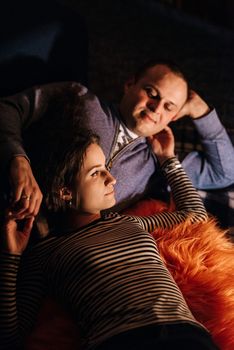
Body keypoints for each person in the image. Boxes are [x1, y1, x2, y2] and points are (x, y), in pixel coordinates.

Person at [0, 126, 218, 350]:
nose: (112, 179)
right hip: (122, 340)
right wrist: (11, 257)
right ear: (64, 191)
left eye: (106, 167)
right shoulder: (47, 252)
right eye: (95, 173)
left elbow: (195, 216)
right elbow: (11, 337)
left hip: (187, 335)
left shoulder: (127, 222)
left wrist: (167, 158)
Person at [0, 59, 233, 218]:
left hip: (65, 254)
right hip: (12, 202)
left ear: (173, 117)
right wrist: (17, 160)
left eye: (168, 106)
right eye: (152, 93)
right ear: (129, 84)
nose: (156, 107)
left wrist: (202, 112)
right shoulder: (80, 98)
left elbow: (225, 173)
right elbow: (8, 109)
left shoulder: (159, 158)